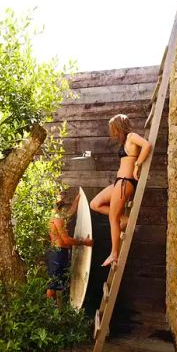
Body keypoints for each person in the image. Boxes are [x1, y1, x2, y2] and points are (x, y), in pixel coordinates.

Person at [89, 114, 152, 267]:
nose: (113, 132)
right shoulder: (125, 140)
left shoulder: (131, 136)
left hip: (125, 182)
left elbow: (147, 145)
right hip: (119, 182)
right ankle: (124, 219)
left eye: (114, 128)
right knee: (95, 204)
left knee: (112, 218)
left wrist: (137, 164)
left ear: (119, 125)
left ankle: (114, 254)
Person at [47, 191, 93, 300]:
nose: (63, 201)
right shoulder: (58, 219)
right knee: (53, 286)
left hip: (56, 252)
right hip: (58, 253)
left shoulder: (54, 215)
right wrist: (84, 242)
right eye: (61, 200)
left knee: (56, 284)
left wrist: (77, 201)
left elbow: (69, 213)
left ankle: (56, 309)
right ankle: (50, 312)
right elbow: (66, 240)